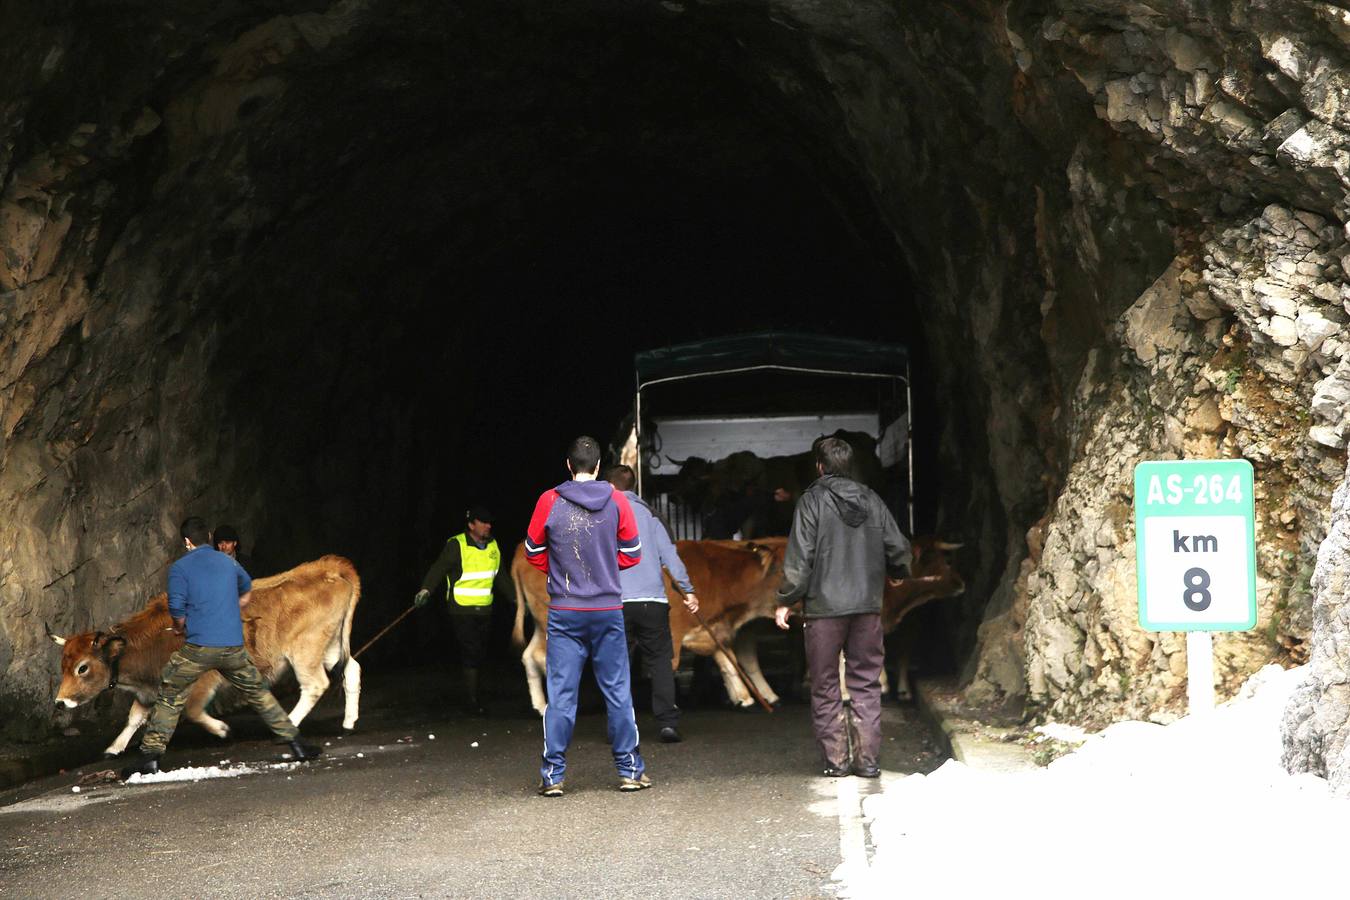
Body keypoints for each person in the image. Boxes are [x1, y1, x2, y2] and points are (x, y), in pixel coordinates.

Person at [122, 517, 320, 779]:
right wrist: (229, 610)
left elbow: (177, 610)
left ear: (186, 542)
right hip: (232, 645)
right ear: (211, 536)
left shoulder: (180, 568)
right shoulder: (228, 562)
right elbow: (248, 590)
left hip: (199, 646)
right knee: (258, 692)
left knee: (171, 693)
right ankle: (296, 744)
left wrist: (181, 627)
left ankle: (150, 758)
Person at [774, 437, 910, 778]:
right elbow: (898, 546)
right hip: (866, 607)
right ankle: (868, 762)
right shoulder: (872, 499)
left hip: (824, 610)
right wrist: (897, 573)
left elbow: (801, 556)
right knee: (866, 682)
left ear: (820, 467)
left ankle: (836, 762)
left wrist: (787, 599)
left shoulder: (811, 502)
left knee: (824, 684)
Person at [525, 435, 646, 796]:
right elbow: (633, 553)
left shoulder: (549, 500)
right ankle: (629, 770)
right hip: (607, 610)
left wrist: (561, 569)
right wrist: (606, 567)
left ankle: (553, 776)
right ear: (597, 466)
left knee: (561, 696)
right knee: (618, 692)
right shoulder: (618, 501)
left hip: (565, 612)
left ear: (568, 465)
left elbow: (533, 550)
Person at [603, 464, 699, 743]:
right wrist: (689, 592)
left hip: (615, 603)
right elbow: (671, 558)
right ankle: (667, 724)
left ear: (610, 487)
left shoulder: (601, 516)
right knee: (660, 662)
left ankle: (619, 727)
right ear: (632, 486)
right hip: (653, 603)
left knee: (617, 665)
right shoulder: (651, 516)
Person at [413, 505, 501, 716]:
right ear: (471, 525)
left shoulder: (493, 546)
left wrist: (517, 599)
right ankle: (471, 702)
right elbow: (438, 568)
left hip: (484, 609)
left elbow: (501, 576)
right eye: (483, 522)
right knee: (471, 652)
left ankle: (475, 695)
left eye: (489, 522)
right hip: (461, 609)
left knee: (479, 652)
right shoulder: (456, 545)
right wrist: (426, 589)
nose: (488, 526)